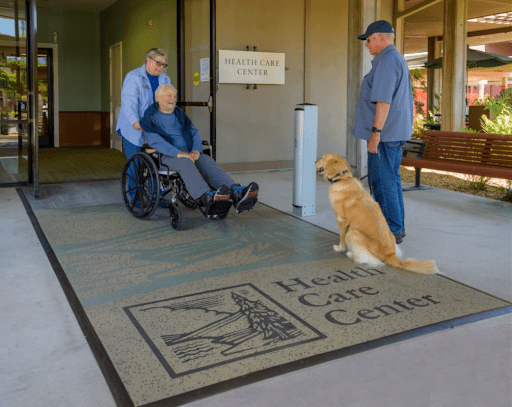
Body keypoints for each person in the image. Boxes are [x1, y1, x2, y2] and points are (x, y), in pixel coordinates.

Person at [139, 84, 259, 217]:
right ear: (157, 97)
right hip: (168, 155)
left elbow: (194, 132)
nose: (172, 98)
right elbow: (155, 141)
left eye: (174, 96)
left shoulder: (179, 114)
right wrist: (178, 153)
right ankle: (205, 196)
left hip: (188, 152)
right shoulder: (150, 117)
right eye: (169, 95)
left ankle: (236, 192)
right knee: (185, 162)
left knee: (206, 160)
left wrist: (196, 150)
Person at [352, 20, 413, 244]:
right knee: (390, 180)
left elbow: (383, 102)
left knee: (383, 181)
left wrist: (375, 134)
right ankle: (396, 227)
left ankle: (391, 230)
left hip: (385, 135)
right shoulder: (391, 60)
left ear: (380, 38)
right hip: (392, 133)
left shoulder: (387, 62)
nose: (366, 44)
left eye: (368, 40)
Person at [116, 48, 172, 207]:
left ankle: (157, 196)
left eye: (163, 64)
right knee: (136, 165)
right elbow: (128, 103)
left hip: (154, 128)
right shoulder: (133, 77)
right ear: (148, 60)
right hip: (133, 127)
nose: (160, 67)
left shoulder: (165, 79)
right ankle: (135, 198)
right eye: (158, 63)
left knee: (156, 163)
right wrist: (135, 122)